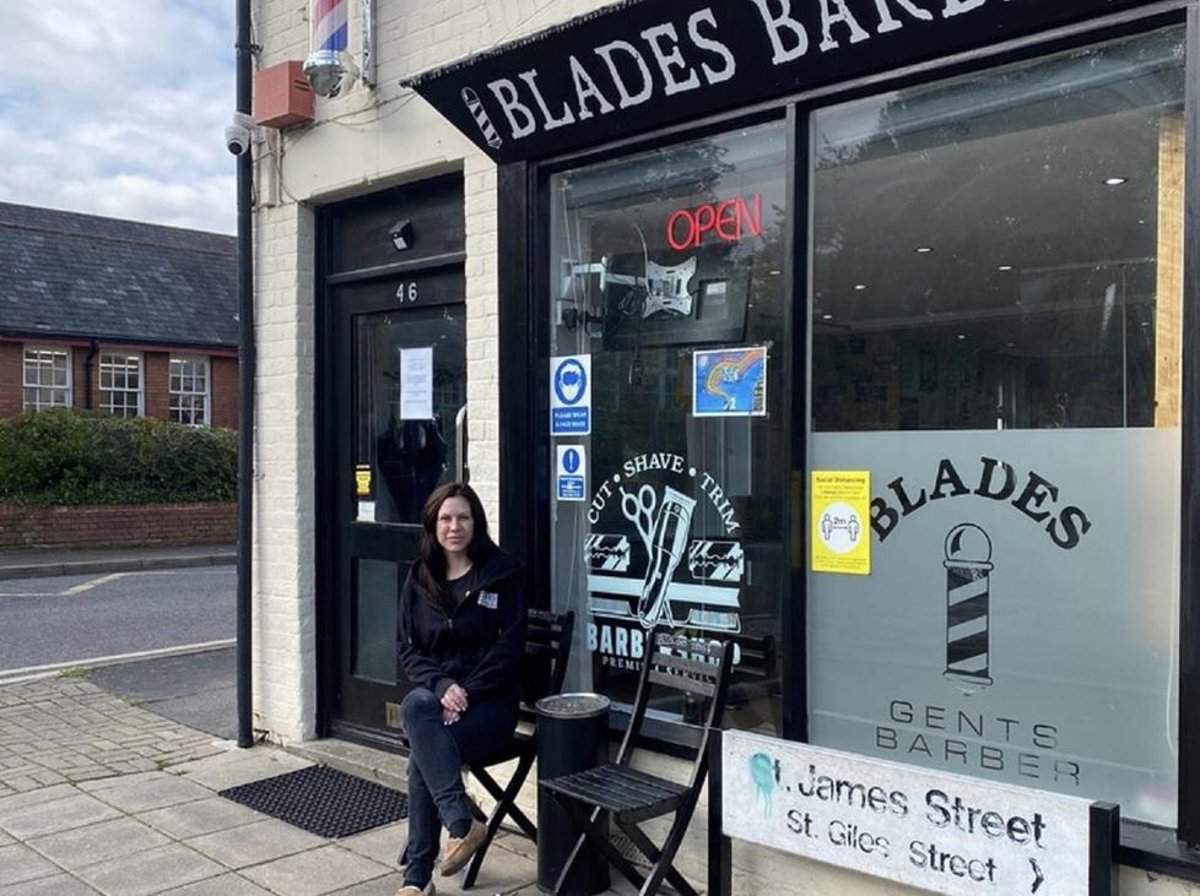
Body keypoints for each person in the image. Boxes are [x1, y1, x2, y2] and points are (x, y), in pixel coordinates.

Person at [395, 482, 527, 896]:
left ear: (477, 522)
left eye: (463, 517)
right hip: (439, 704)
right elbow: (407, 648)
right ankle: (461, 823)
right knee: (416, 703)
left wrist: (464, 692)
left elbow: (510, 649)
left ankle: (417, 879)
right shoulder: (420, 577)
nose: (455, 526)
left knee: (423, 756)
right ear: (433, 525)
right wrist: (442, 686)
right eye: (446, 518)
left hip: (491, 708)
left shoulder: (502, 574)